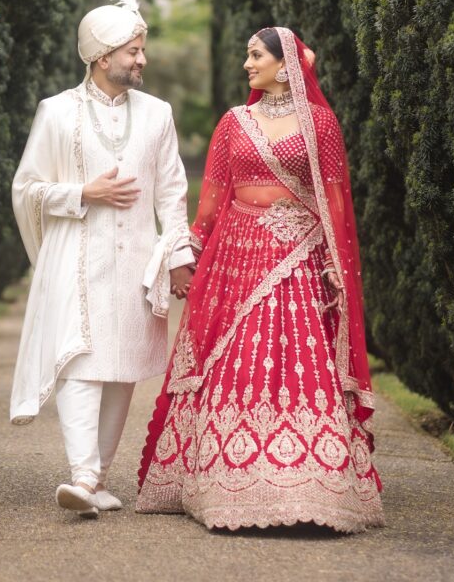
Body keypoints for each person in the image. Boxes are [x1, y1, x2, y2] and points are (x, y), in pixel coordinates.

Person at [136, 26, 383, 532]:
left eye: (256, 55)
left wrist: (334, 261)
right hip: (237, 256)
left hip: (299, 252)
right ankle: (228, 481)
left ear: (284, 64)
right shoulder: (234, 122)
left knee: (300, 359)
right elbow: (213, 196)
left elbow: (334, 195)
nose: (247, 64)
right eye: (247, 56)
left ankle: (310, 488)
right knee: (237, 357)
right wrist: (188, 255)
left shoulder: (320, 123)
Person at [10, 0, 195, 518]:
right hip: (75, 258)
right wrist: (82, 194)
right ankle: (83, 476)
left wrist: (178, 255)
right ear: (101, 56)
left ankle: (98, 481)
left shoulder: (157, 113)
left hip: (137, 261)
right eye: (133, 51)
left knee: (121, 367)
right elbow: (26, 188)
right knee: (80, 361)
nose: (142, 59)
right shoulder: (56, 113)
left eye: (142, 49)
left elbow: (171, 192)